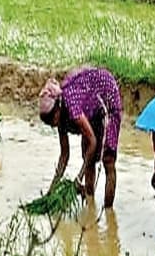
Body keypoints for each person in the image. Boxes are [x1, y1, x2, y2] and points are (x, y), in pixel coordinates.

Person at [39, 67, 123, 209]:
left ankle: (108, 212)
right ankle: (90, 205)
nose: (53, 126)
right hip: (90, 108)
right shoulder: (60, 119)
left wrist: (79, 178)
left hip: (106, 97)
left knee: (108, 160)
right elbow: (64, 155)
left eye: (52, 120)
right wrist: (51, 190)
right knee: (88, 159)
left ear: (58, 108)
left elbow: (93, 142)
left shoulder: (72, 105)